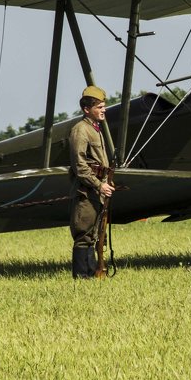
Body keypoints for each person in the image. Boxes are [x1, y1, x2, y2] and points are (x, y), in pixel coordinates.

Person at [68, 85, 115, 279]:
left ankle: (91, 273)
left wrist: (105, 183)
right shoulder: (81, 130)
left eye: (104, 106)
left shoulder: (95, 129)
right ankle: (82, 276)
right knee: (83, 235)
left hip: (97, 190)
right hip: (86, 191)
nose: (103, 109)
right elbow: (80, 166)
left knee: (95, 236)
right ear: (87, 109)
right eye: (99, 107)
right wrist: (98, 185)